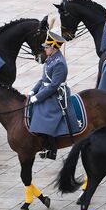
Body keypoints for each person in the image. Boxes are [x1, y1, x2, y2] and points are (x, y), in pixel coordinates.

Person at [28, 31, 79, 160]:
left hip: (56, 95)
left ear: (54, 47)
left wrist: (38, 97)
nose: (44, 49)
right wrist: (33, 90)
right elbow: (43, 79)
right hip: (47, 90)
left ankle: (51, 149)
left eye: (47, 47)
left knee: (45, 117)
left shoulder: (59, 63)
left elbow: (53, 86)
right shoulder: (50, 59)